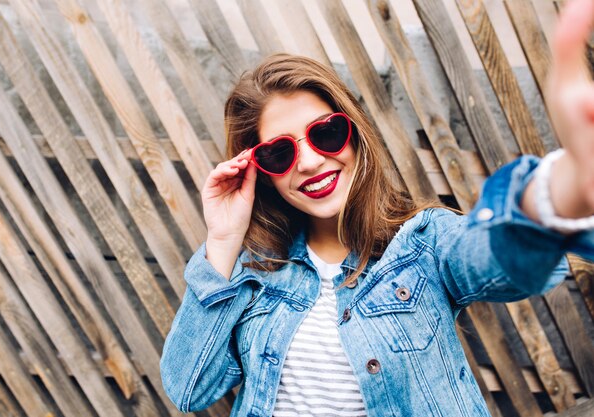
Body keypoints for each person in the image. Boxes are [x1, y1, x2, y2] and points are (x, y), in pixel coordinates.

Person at [160, 0, 594, 415]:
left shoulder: (422, 244)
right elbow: (189, 388)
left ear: (354, 133)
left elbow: (501, 260)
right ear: (262, 172)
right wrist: (221, 241)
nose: (310, 161)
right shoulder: (254, 271)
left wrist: (564, 189)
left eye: (325, 133)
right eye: (280, 153)